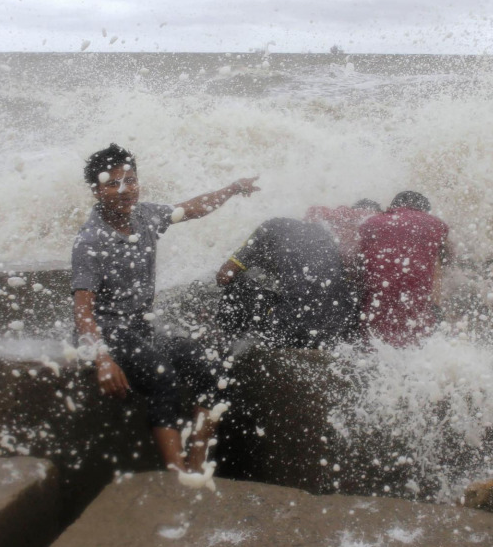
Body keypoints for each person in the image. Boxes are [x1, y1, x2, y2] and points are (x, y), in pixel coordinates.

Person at [71, 143, 259, 473]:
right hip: (107, 331)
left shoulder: (144, 216)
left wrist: (233, 188)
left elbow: (191, 208)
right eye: (113, 184)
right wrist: (101, 357)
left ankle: (197, 465)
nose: (125, 190)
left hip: (140, 329)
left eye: (130, 180)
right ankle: (178, 476)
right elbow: (83, 309)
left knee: (211, 369)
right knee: (163, 378)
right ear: (97, 191)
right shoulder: (91, 240)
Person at [215, 216, 359, 347]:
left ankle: (224, 343)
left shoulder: (267, 228)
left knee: (236, 287)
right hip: (336, 328)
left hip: (292, 328)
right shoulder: (326, 237)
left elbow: (224, 276)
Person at [357, 191, 452, 347]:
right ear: (425, 213)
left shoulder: (371, 223)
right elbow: (446, 259)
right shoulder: (436, 225)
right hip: (419, 324)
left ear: (390, 208)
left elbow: (356, 261)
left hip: (373, 325)